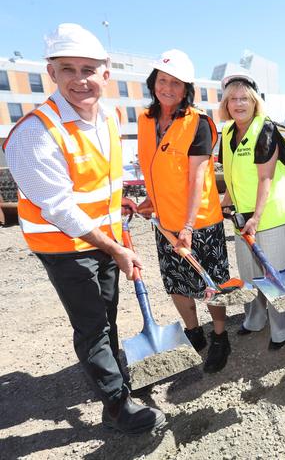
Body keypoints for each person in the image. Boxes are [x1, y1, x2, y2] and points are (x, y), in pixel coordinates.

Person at [2, 23, 165, 434]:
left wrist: (120, 204)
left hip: (103, 238)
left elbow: (99, 181)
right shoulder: (36, 132)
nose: (80, 79)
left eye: (88, 69)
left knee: (107, 314)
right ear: (51, 73)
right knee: (92, 324)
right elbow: (59, 206)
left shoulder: (106, 119)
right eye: (68, 69)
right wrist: (115, 248)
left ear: (105, 74)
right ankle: (116, 405)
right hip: (64, 246)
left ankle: (116, 379)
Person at [136, 49, 231, 373]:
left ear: (186, 88)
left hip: (200, 224)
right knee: (176, 284)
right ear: (154, 82)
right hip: (164, 224)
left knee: (212, 284)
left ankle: (220, 335)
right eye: (163, 81)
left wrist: (188, 227)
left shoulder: (198, 123)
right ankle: (194, 331)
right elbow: (154, 168)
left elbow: (197, 178)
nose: (168, 88)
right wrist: (152, 200)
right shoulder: (145, 120)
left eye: (176, 83)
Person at [218, 72, 285, 350]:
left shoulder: (265, 129)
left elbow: (265, 178)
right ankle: (254, 319)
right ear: (226, 104)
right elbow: (230, 172)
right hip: (243, 215)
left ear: (254, 102)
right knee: (249, 272)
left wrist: (256, 218)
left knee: (274, 274)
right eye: (232, 99)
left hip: (270, 214)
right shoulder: (228, 131)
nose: (238, 104)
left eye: (244, 99)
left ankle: (282, 329)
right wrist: (227, 198)